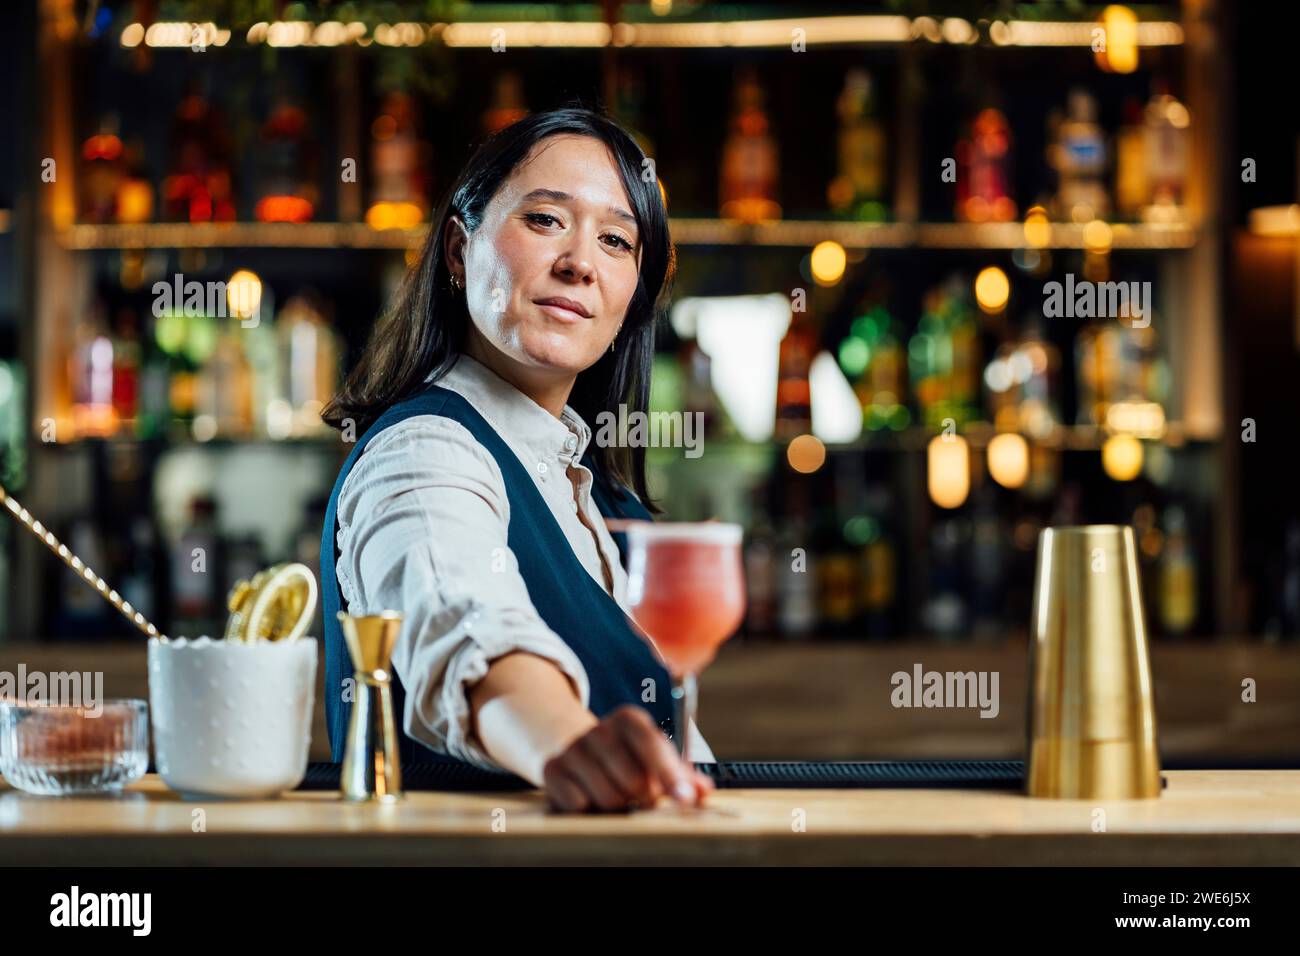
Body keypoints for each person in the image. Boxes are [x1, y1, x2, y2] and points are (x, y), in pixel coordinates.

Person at [320, 105, 716, 813]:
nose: (580, 263)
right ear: (456, 250)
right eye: (544, 220)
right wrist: (564, 740)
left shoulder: (600, 500)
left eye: (618, 241)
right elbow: (461, 618)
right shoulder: (424, 452)